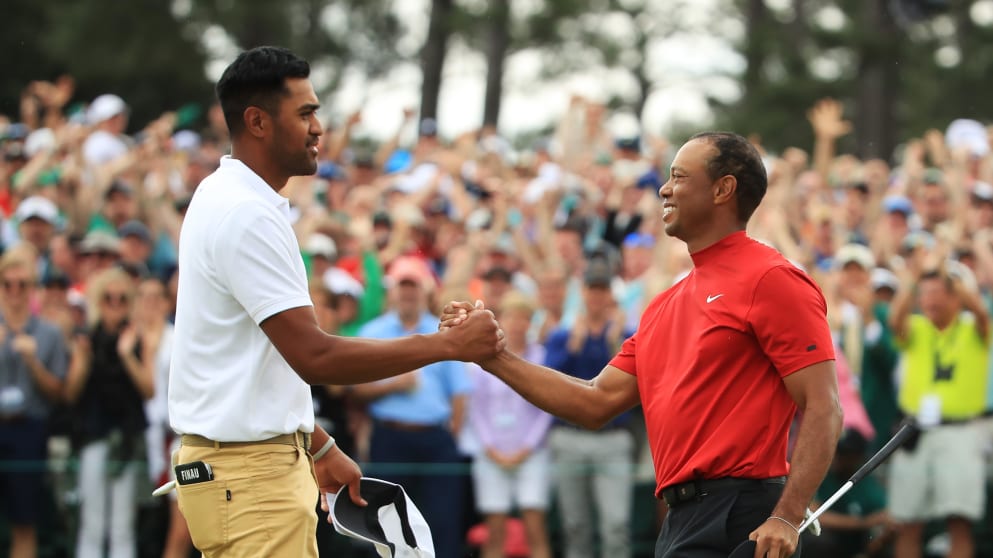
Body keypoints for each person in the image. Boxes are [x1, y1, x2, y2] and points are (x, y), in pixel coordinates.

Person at [168, 46, 503, 558]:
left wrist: (316, 442)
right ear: (257, 122)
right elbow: (314, 357)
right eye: (305, 113)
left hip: (243, 471)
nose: (319, 128)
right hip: (250, 478)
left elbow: (256, 363)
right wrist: (448, 345)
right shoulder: (246, 213)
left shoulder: (229, 197)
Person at [443, 132, 842, 558]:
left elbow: (823, 405)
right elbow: (594, 402)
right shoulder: (665, 305)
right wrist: (492, 357)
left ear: (723, 189)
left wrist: (787, 514)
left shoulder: (773, 279)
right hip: (680, 520)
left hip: (744, 517)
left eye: (679, 176)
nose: (664, 188)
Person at [353, 255, 472, 558]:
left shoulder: (443, 333)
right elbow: (356, 389)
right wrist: (394, 384)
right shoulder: (373, 333)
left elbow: (460, 393)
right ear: (392, 291)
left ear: (425, 291)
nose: (408, 293)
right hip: (390, 436)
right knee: (386, 523)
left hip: (435, 438)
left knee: (442, 519)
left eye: (413, 286)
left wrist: (453, 435)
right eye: (402, 286)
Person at [886, 263, 989, 558]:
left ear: (957, 296)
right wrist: (915, 281)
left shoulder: (973, 328)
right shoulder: (917, 328)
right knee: (907, 521)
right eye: (926, 293)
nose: (931, 299)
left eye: (940, 293)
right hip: (915, 430)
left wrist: (952, 281)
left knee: (959, 521)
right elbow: (895, 320)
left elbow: (981, 313)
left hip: (960, 431)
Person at [65, 266, 149, 558]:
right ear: (98, 301)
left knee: (122, 524)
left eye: (122, 298)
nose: (115, 305)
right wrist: (83, 358)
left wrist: (127, 356)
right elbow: (71, 393)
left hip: (126, 438)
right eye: (108, 298)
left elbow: (148, 389)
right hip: (94, 433)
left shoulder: (136, 339)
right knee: (92, 521)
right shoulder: (86, 338)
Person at [0, 245, 68, 558]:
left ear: (32, 289)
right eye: (7, 284)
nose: (14, 292)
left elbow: (58, 391)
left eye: (22, 284)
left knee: (24, 522)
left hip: (30, 428)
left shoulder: (49, 333)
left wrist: (33, 362)